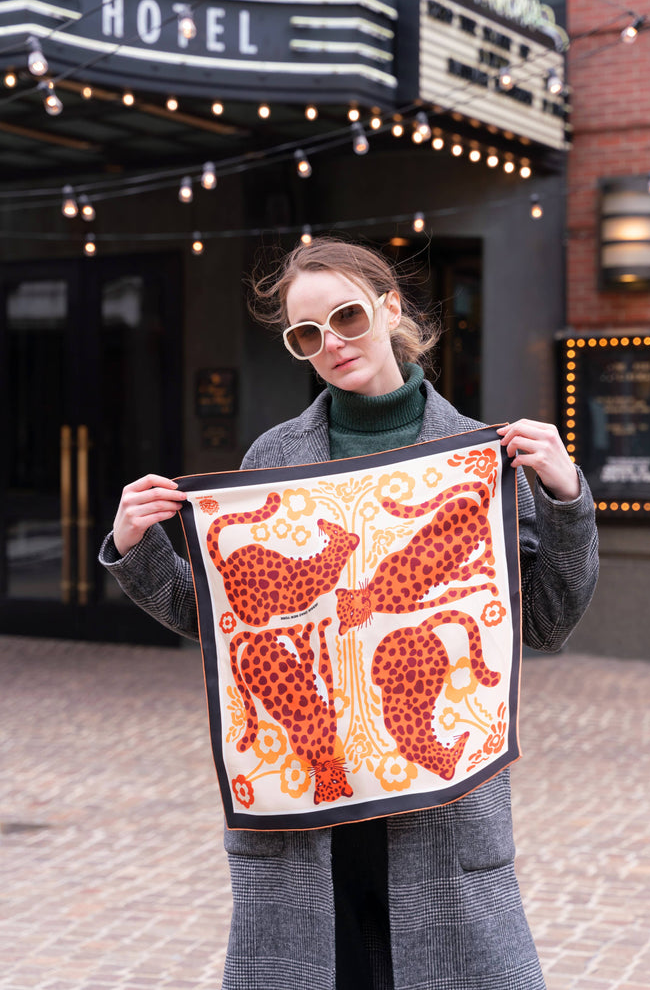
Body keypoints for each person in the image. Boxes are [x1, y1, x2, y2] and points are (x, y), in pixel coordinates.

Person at [100, 237, 598, 990]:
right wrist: (138, 545)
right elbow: (231, 625)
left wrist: (566, 496)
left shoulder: (473, 454)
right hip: (309, 818)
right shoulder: (276, 456)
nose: (332, 343)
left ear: (390, 309)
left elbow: (549, 619)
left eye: (347, 316)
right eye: (307, 333)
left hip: (439, 820)